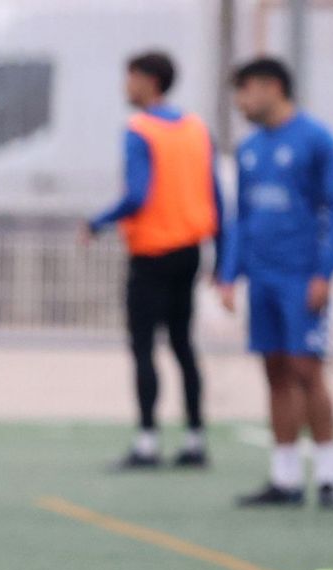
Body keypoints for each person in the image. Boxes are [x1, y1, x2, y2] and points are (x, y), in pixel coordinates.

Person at [217, 57, 333, 509]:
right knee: (273, 371)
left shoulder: (316, 139)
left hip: (301, 277)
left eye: (247, 89)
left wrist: (325, 271)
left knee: (306, 369)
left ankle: (329, 476)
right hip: (263, 279)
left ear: (274, 87)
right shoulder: (251, 149)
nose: (240, 100)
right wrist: (229, 273)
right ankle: (285, 478)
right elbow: (242, 216)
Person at [83, 51, 221, 469]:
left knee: (144, 345)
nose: (126, 86)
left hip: (151, 253)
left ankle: (147, 440)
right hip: (190, 251)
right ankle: (195, 438)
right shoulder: (197, 128)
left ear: (149, 80)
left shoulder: (139, 129)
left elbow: (138, 194)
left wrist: (97, 221)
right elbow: (215, 193)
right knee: (182, 344)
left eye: (131, 78)